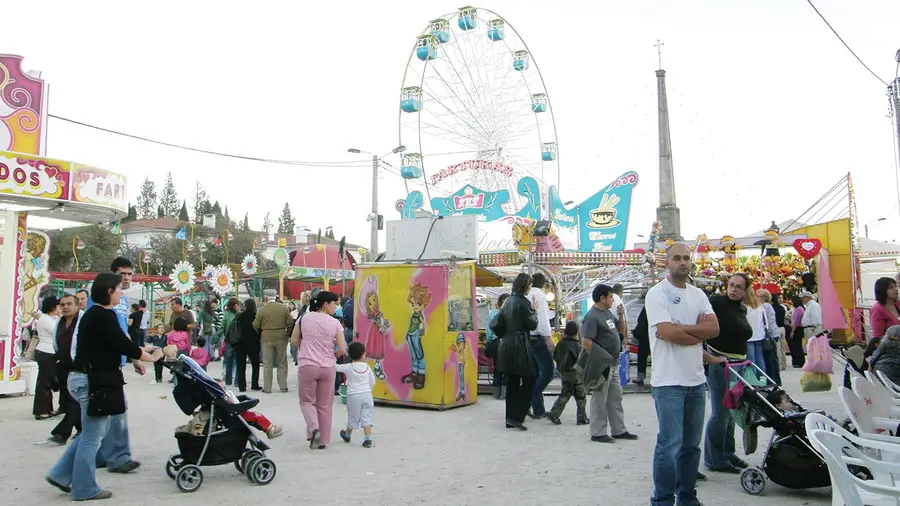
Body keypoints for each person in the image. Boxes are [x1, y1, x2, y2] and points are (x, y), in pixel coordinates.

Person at [46, 272, 162, 501]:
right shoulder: (103, 315)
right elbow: (124, 345)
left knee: (89, 433)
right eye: (119, 289)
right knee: (92, 437)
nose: (122, 293)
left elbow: (119, 345)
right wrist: (154, 357)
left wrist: (143, 353)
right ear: (110, 291)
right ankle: (84, 488)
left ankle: (61, 474)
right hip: (92, 382)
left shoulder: (92, 314)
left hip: (83, 378)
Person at [645, 243, 719, 506]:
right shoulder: (657, 294)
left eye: (686, 258)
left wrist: (682, 331)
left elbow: (713, 329)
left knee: (691, 447)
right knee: (670, 446)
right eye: (676, 258)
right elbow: (667, 332)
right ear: (667, 262)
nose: (683, 263)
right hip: (668, 384)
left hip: (696, 382)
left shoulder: (698, 294)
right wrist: (693, 333)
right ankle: (662, 499)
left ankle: (687, 497)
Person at [704, 273, 753, 474]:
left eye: (738, 287)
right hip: (720, 364)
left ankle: (727, 452)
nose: (733, 289)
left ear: (745, 290)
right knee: (721, 413)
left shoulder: (741, 308)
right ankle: (715, 458)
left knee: (732, 412)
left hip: (738, 364)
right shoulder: (716, 302)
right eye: (731, 285)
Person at [582, 283, 636, 443]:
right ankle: (598, 432)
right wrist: (601, 358)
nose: (613, 299)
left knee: (615, 397)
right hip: (602, 364)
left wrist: (621, 316)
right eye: (610, 297)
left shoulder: (606, 313)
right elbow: (586, 342)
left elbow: (619, 331)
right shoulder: (592, 316)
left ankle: (619, 429)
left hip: (613, 362)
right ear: (602, 298)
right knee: (599, 398)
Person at [295, 291, 347, 449]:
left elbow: (293, 340)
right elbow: (343, 349)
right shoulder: (335, 323)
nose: (335, 307)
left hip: (307, 365)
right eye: (334, 304)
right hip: (327, 367)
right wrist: (332, 354)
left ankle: (313, 428)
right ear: (325, 304)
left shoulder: (304, 317)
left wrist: (305, 348)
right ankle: (323, 440)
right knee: (325, 405)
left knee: (307, 402)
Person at [491, 273, 539, 430]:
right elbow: (532, 324)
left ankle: (510, 418)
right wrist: (535, 311)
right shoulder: (523, 303)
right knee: (531, 378)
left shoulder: (507, 301)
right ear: (525, 285)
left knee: (511, 381)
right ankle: (518, 414)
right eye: (530, 285)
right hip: (519, 345)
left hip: (506, 345)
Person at [47, 295, 82, 445]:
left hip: (79, 366)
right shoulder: (59, 323)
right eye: (62, 305)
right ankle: (81, 430)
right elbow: (56, 343)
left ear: (77, 305)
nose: (65, 307)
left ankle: (62, 433)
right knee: (68, 400)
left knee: (74, 400)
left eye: (69, 304)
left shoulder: (84, 321)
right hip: (63, 365)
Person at [547, 321, 588, 426]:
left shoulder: (561, 343)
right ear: (576, 332)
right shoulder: (577, 345)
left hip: (564, 374)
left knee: (565, 394)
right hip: (575, 375)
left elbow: (555, 356)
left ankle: (554, 413)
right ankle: (582, 418)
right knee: (581, 397)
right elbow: (581, 361)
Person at [213, 378, 283, 439]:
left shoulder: (224, 395)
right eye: (222, 389)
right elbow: (231, 403)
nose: (224, 390)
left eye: (225, 388)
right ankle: (270, 429)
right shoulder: (223, 397)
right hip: (235, 414)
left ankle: (269, 427)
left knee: (255, 417)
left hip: (235, 411)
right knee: (256, 416)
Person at [337, 341, 377, 448]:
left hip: (354, 396)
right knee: (366, 416)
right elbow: (372, 381)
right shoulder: (367, 367)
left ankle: (347, 434)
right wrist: (368, 390)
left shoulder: (348, 367)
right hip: (367, 395)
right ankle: (368, 439)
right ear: (362, 354)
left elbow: (336, 367)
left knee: (353, 417)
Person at [254, 296, 294, 393]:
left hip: (266, 337)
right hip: (281, 337)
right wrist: (287, 334)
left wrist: (261, 333)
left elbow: (255, 324)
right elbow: (290, 323)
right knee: (282, 362)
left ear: (266, 298)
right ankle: (283, 386)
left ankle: (267, 388)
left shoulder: (262, 310)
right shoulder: (283, 308)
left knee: (267, 363)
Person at [528, 272, 554, 419]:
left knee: (535, 373)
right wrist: (548, 337)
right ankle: (534, 395)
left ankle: (537, 408)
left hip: (526, 338)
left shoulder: (525, 295)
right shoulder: (541, 295)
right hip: (538, 337)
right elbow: (543, 318)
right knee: (549, 371)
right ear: (544, 284)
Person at [33, 296, 61, 420]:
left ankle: (47, 408)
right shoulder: (46, 320)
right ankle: (40, 411)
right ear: (52, 307)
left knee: (48, 382)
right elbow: (58, 332)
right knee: (44, 382)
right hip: (46, 352)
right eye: (58, 305)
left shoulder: (49, 318)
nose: (59, 308)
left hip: (49, 352)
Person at [234, 298, 262, 392]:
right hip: (253, 343)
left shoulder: (240, 316)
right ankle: (254, 384)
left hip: (240, 343)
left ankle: (242, 386)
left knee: (241, 365)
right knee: (255, 364)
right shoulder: (256, 316)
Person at [757, 289, 782, 386]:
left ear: (763, 298)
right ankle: (776, 379)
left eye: (758, 296)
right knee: (773, 358)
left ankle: (771, 379)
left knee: (769, 359)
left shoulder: (764, 307)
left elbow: (766, 322)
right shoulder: (769, 306)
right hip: (773, 334)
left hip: (768, 335)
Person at [486, 293, 508, 399]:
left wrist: (490, 341)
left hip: (496, 342)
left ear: (498, 303)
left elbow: (489, 330)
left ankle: (496, 393)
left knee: (497, 368)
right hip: (508, 343)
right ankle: (505, 393)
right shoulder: (511, 314)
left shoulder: (493, 313)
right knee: (508, 369)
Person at [219, 297, 240, 386]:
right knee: (238, 361)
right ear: (235, 306)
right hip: (238, 342)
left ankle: (228, 381)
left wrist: (215, 340)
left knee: (228, 362)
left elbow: (221, 328)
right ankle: (237, 382)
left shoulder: (226, 315)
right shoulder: (239, 315)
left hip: (228, 342)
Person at [632, 305, 651, 386]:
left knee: (642, 356)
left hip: (645, 335)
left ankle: (640, 377)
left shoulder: (648, 305)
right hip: (658, 334)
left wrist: (636, 333)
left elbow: (641, 320)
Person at [789, 296, 806, 368]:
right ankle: (800, 361)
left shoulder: (798, 309)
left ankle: (799, 361)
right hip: (800, 329)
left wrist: (792, 331)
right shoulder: (801, 308)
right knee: (798, 345)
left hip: (797, 329)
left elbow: (796, 321)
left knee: (796, 346)